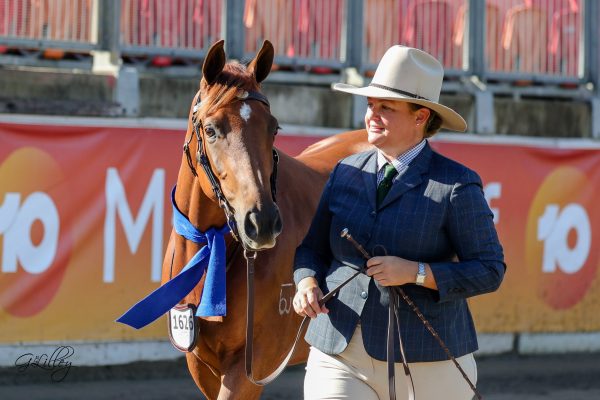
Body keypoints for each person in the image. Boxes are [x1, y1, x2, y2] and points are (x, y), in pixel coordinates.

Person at [292, 45, 506, 400]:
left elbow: (489, 269)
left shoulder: (456, 184)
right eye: (370, 105)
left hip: (429, 361)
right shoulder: (345, 172)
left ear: (421, 116)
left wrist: (418, 272)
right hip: (339, 351)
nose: (372, 115)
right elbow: (310, 249)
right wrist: (305, 282)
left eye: (386, 108)